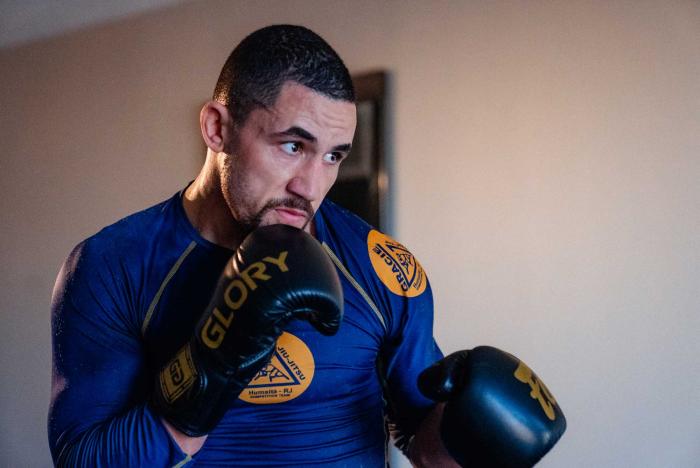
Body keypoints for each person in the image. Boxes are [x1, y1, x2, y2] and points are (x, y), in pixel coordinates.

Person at [49, 25, 565, 467]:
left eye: (334, 156)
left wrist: (473, 429)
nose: (311, 185)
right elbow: (82, 457)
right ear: (216, 128)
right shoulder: (112, 266)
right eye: (293, 146)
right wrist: (205, 375)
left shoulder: (381, 268)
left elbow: (425, 450)